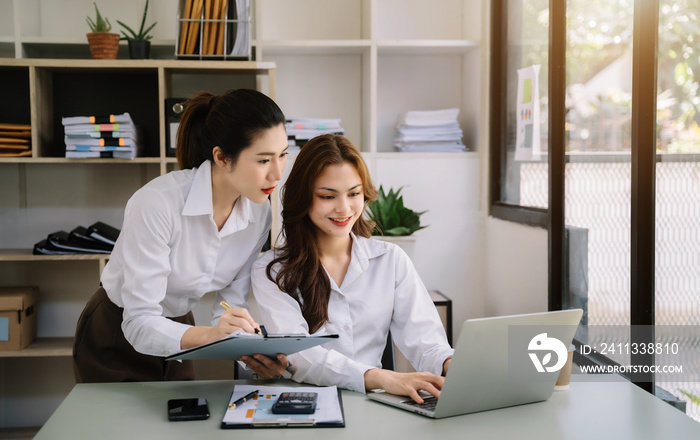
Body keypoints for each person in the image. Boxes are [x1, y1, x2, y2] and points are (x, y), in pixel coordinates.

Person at [73, 88, 290, 383]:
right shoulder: (157, 202)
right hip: (116, 327)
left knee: (178, 425)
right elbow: (138, 322)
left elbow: (229, 305)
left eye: (283, 156)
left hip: (180, 326)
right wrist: (213, 335)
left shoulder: (259, 212)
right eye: (264, 160)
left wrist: (248, 344)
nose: (277, 174)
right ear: (222, 157)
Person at [250, 134, 454, 403]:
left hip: (372, 405)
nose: (344, 208)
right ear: (303, 198)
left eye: (354, 193)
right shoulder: (272, 270)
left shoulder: (390, 259)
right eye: (327, 196)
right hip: (302, 403)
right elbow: (299, 355)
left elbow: (427, 341)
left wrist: (452, 366)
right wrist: (381, 377)